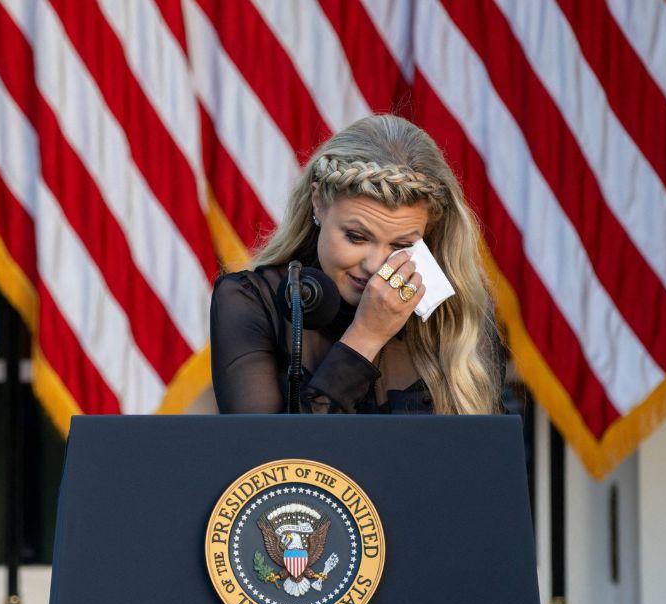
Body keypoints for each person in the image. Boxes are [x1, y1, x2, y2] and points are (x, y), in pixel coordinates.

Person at [210, 114, 501, 415]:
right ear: (318, 202)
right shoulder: (249, 300)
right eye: (356, 237)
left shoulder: (457, 315)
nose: (375, 265)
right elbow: (268, 458)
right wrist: (366, 337)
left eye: (402, 245)